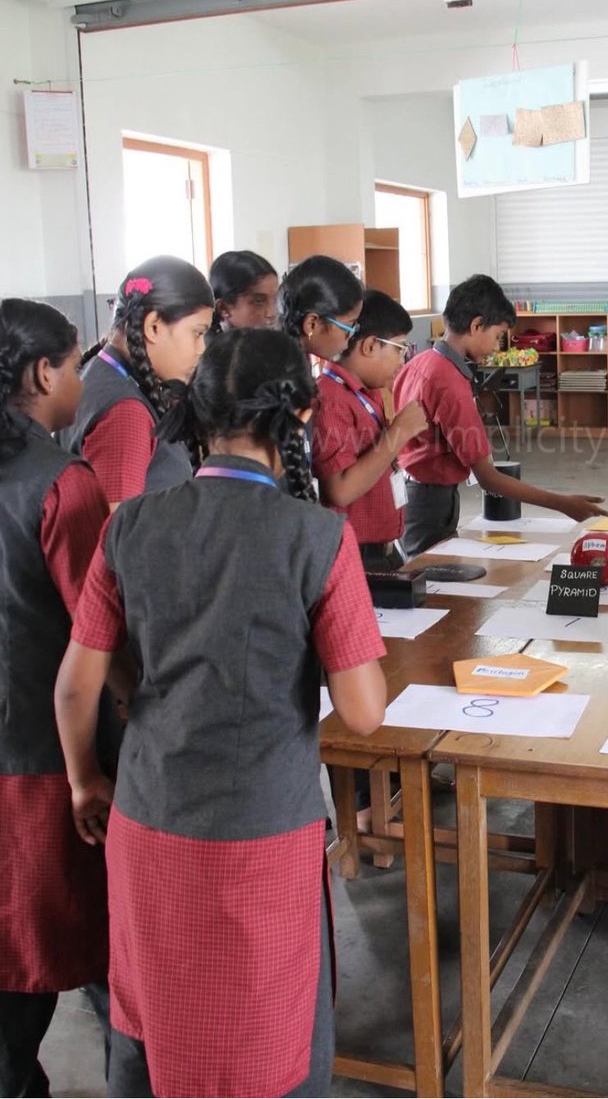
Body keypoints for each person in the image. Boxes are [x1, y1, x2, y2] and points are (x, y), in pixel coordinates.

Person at [55, 328, 387, 1099]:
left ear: (194, 412)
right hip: (261, 829)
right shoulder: (316, 537)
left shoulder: (130, 525)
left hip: (147, 812)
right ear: (299, 414)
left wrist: (83, 781)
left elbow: (77, 685)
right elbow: (364, 712)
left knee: (150, 1015)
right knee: (268, 1028)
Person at [0, 299, 114, 1097]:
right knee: (35, 946)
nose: (79, 380)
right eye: (75, 365)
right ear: (44, 373)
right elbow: (98, 628)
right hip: (41, 756)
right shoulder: (62, 485)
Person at [393, 274, 608, 556]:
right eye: (497, 337)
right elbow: (488, 478)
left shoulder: (419, 362)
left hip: (411, 495)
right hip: (430, 505)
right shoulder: (449, 383)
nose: (497, 347)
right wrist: (562, 503)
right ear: (476, 325)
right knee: (432, 582)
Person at [61, 255, 214, 507]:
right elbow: (117, 533)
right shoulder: (125, 412)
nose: (201, 349)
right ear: (153, 326)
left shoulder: (97, 372)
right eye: (197, 333)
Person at [312, 289, 427, 572]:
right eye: (400, 349)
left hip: (386, 550)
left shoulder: (369, 390)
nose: (403, 362)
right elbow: (340, 490)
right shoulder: (330, 399)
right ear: (370, 345)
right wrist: (399, 432)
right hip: (355, 558)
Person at [279, 254, 364, 366]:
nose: (350, 339)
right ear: (312, 324)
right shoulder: (283, 373)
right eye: (349, 327)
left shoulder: (293, 361)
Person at [208, 250, 279, 335]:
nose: (272, 313)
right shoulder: (204, 347)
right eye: (259, 301)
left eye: (276, 299)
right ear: (223, 308)